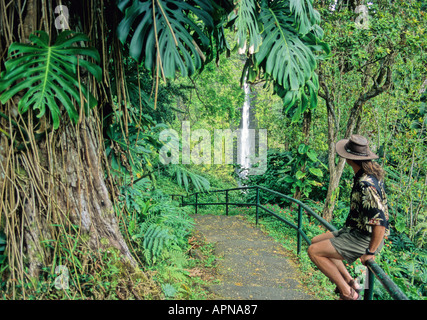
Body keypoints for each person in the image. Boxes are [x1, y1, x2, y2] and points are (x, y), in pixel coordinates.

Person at [307, 134, 390, 300]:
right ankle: (350, 282)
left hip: (366, 238)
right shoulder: (365, 174)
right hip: (354, 230)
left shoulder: (366, 184)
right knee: (316, 241)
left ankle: (348, 293)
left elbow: (380, 223)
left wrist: (370, 252)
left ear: (350, 158)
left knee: (314, 251)